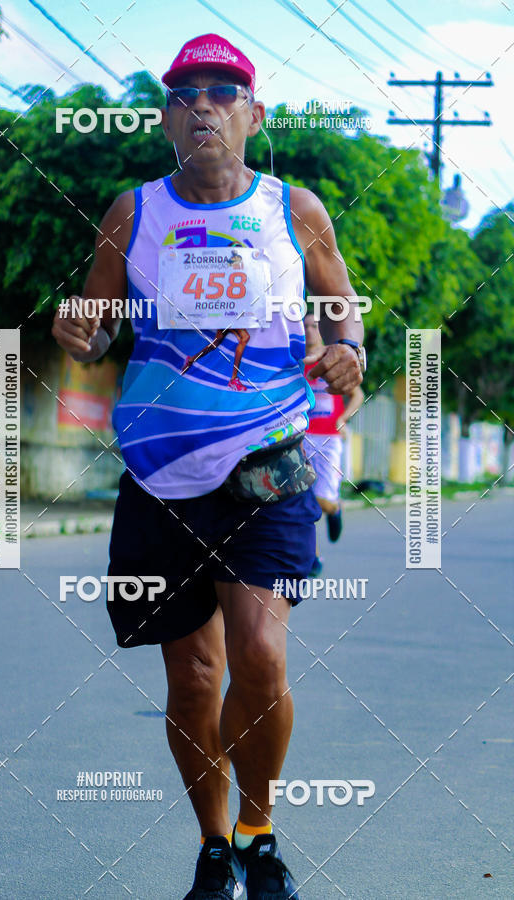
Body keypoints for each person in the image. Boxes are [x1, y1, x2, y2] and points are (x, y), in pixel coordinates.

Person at [52, 33, 365, 900]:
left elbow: (344, 312)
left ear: (253, 114)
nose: (203, 104)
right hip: (158, 478)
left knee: (260, 656)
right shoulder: (132, 210)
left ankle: (260, 834)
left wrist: (349, 352)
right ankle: (215, 846)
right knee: (193, 680)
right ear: (164, 119)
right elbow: (100, 317)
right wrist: (82, 330)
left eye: (223, 91)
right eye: (186, 91)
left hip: (266, 466)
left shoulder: (293, 209)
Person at [303, 315, 364, 575]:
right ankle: (313, 557)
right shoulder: (296, 364)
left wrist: (342, 418)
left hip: (329, 440)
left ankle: (335, 507)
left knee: (321, 500)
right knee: (302, 498)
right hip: (302, 437)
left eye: (314, 326)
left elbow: (357, 394)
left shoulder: (330, 358)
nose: (308, 332)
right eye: (304, 326)